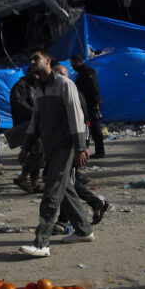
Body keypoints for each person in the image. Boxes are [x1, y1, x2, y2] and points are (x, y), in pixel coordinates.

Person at [17, 49, 93, 258]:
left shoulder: (64, 84)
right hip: (50, 147)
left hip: (65, 146)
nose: (32, 62)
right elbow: (36, 121)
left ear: (48, 60)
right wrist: (26, 146)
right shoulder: (39, 89)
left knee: (51, 191)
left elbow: (76, 116)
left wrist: (80, 148)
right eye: (30, 59)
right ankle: (84, 230)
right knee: (65, 189)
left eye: (36, 58)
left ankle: (42, 243)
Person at [51, 63, 109, 225]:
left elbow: (84, 122)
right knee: (69, 181)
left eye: (61, 75)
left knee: (65, 182)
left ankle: (64, 221)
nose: (57, 79)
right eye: (55, 75)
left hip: (71, 146)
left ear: (67, 76)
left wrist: (82, 147)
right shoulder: (56, 94)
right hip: (60, 145)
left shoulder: (75, 94)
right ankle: (94, 203)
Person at [9, 70, 42, 193]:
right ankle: (22, 177)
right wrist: (35, 112)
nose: (38, 77)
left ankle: (35, 183)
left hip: (34, 124)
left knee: (38, 153)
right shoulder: (19, 87)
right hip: (24, 126)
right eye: (36, 74)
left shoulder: (35, 86)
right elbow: (19, 104)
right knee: (38, 149)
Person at [69, 55, 105, 158]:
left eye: (72, 63)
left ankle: (99, 151)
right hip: (87, 104)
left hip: (91, 105)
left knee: (94, 128)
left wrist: (95, 103)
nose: (71, 66)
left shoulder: (87, 72)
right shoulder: (82, 72)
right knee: (92, 128)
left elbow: (93, 87)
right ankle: (98, 151)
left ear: (77, 61)